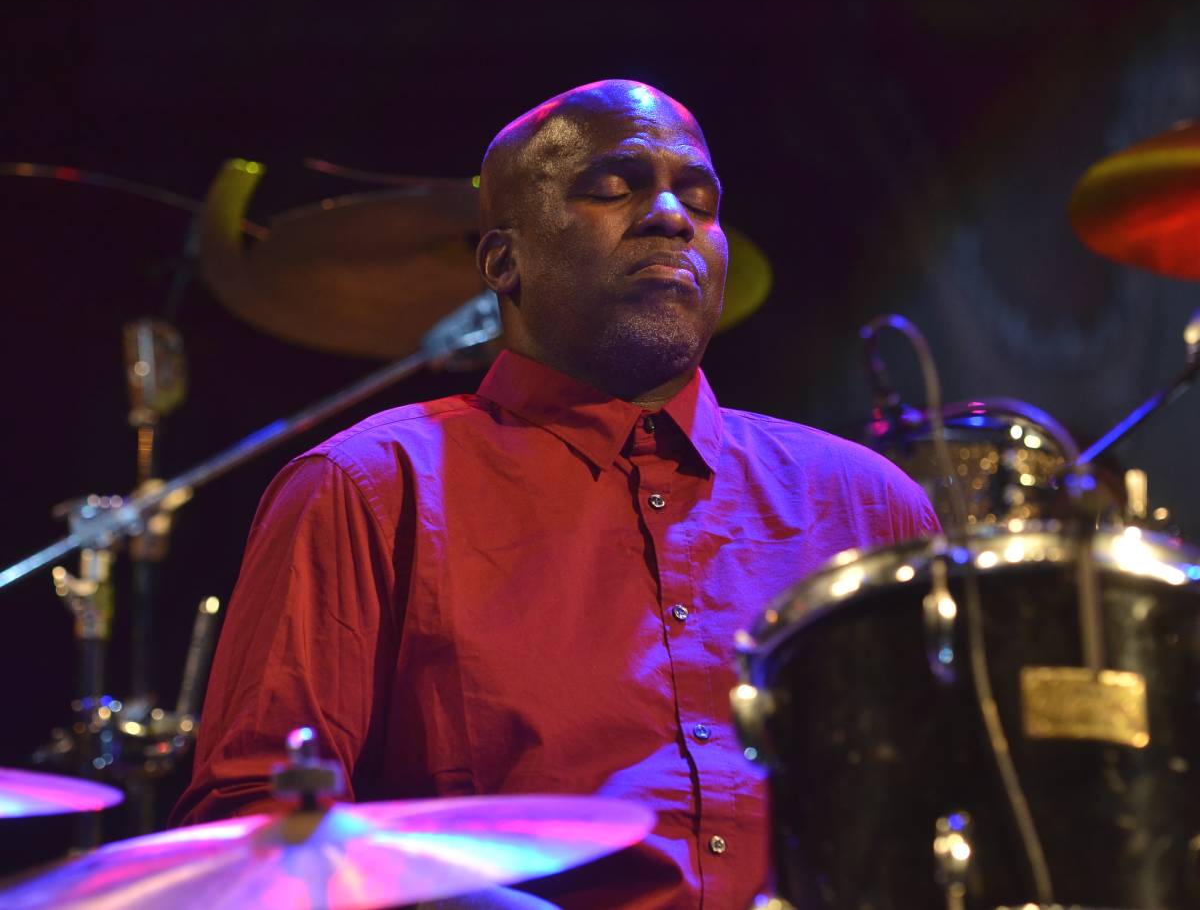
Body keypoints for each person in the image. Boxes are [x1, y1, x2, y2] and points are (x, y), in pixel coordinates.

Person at [173, 79, 939, 908]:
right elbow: (259, 828)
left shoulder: (870, 506)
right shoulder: (366, 487)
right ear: (503, 262)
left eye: (699, 200)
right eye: (612, 188)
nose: (671, 217)